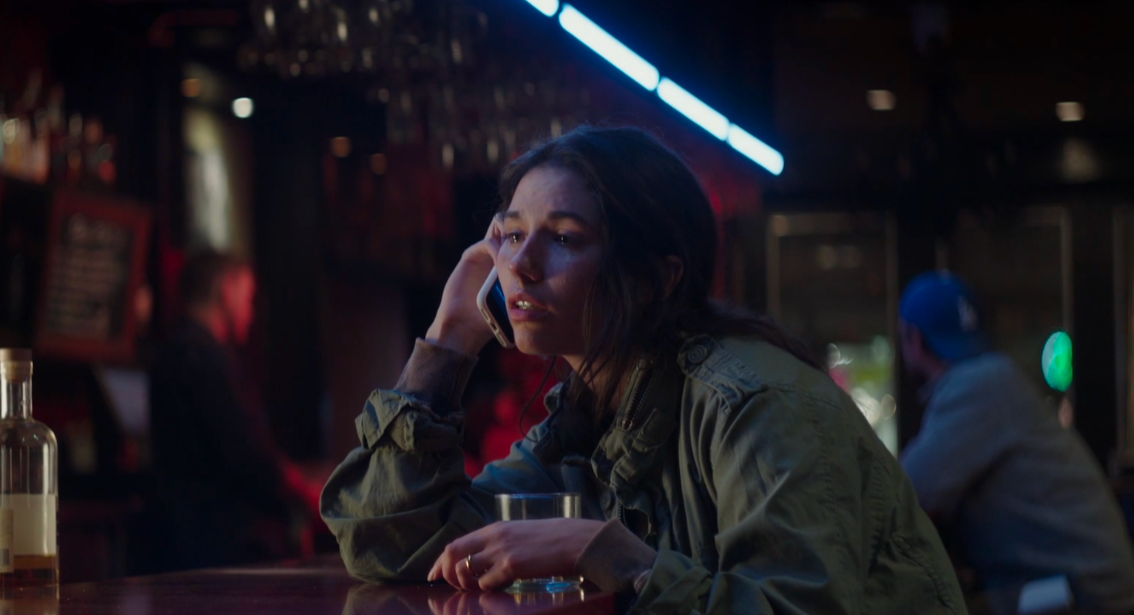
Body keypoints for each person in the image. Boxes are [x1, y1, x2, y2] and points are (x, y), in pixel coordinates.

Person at [321, 126, 964, 613]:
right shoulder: (587, 419)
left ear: (656, 279)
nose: (520, 265)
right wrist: (447, 343)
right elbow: (386, 539)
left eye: (563, 238)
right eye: (511, 235)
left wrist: (603, 552)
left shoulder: (756, 401)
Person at [898, 271, 1134, 611]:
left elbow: (903, 498)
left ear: (914, 338)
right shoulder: (994, 378)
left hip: (1081, 594)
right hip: (1079, 585)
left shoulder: (978, 386)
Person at [149, 250, 320, 569]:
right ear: (227, 290)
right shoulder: (206, 357)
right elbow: (246, 455)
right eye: (248, 298)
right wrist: (303, 494)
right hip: (224, 548)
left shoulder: (172, 351)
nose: (250, 313)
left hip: (183, 543)